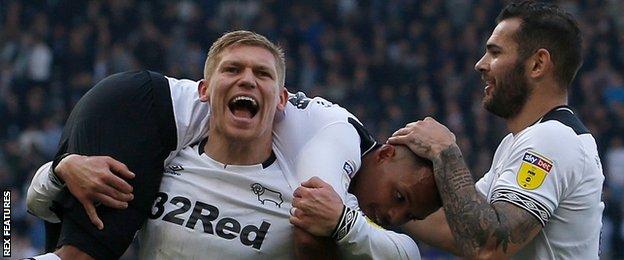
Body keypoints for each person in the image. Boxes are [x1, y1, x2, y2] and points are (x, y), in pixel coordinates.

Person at [27, 30, 439, 259]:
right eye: (233, 70)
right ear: (204, 90)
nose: (247, 80)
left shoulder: (299, 191)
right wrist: (60, 171)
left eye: (262, 74)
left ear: (281, 101)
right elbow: (34, 203)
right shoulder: (165, 160)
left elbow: (404, 252)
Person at [386, 1, 604, 259]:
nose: (481, 64)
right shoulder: (518, 142)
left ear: (537, 64)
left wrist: (445, 151)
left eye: (495, 53)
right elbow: (458, 225)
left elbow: (489, 245)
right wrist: (381, 197)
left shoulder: (552, 138)